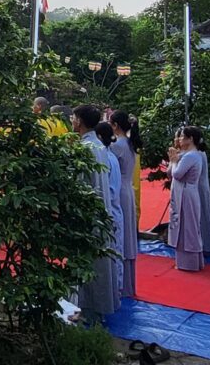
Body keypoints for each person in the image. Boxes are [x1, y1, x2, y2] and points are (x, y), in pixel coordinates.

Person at [70, 105, 120, 317]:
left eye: (73, 117)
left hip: (87, 213)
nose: (71, 121)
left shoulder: (86, 148)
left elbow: (79, 183)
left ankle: (85, 307)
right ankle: (95, 305)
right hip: (100, 210)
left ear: (79, 121)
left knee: (86, 261)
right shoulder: (98, 145)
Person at [109, 111, 140, 296]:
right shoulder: (128, 143)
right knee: (128, 235)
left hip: (119, 190)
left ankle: (122, 284)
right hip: (127, 188)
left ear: (115, 125)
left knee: (122, 235)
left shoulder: (117, 145)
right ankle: (128, 284)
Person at [167, 126, 205, 272]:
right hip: (182, 192)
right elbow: (170, 173)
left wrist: (175, 161)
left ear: (190, 139)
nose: (180, 139)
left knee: (187, 227)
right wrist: (173, 159)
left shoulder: (192, 156)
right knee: (182, 226)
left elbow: (177, 174)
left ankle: (190, 263)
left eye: (183, 137)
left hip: (186, 193)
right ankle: (185, 261)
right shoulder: (186, 154)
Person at [95, 122, 124, 310]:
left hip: (109, 210)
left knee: (108, 257)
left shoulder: (104, 157)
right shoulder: (110, 156)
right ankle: (116, 292)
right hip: (115, 208)